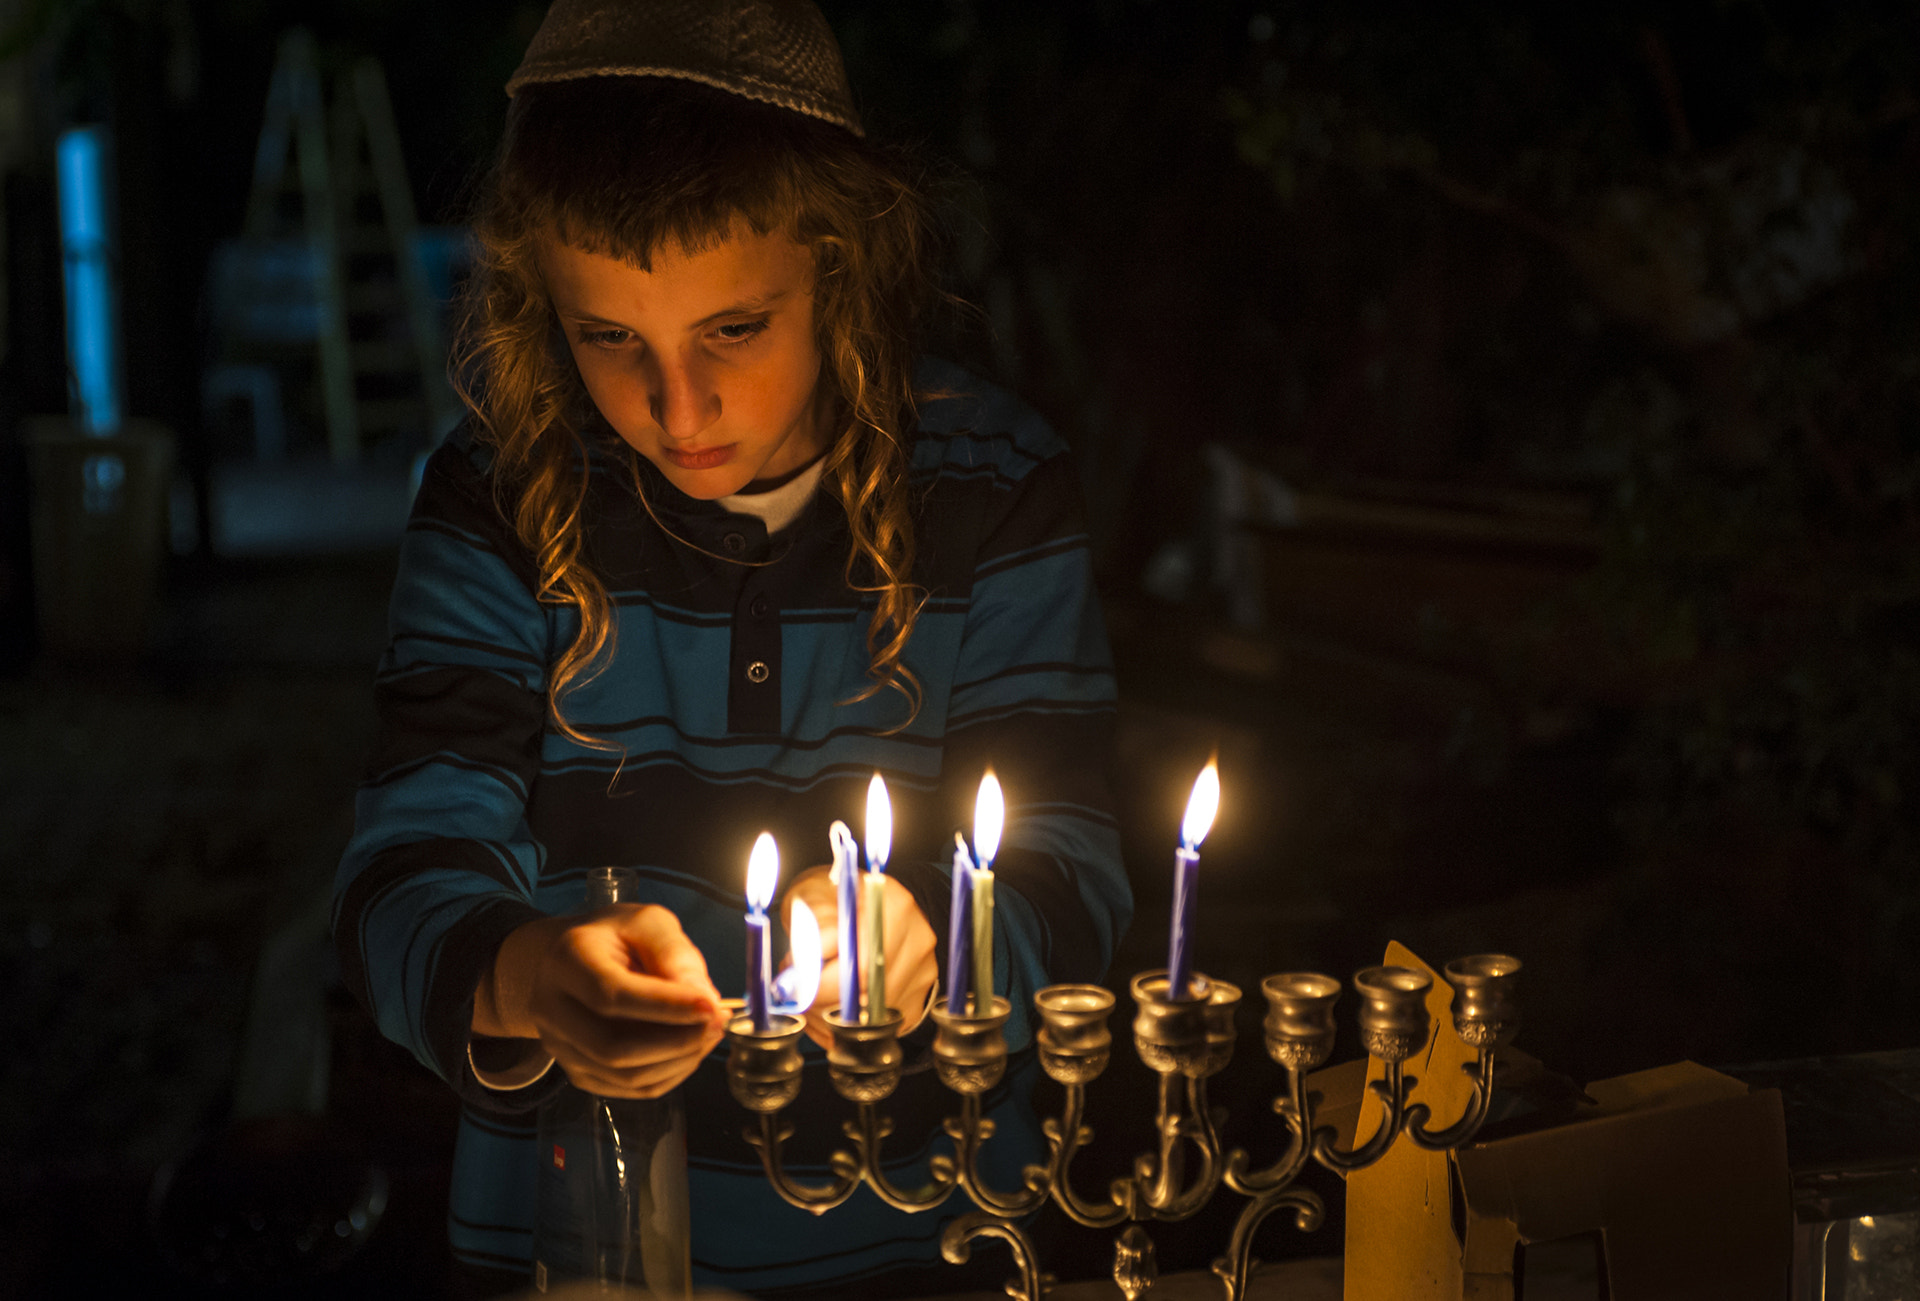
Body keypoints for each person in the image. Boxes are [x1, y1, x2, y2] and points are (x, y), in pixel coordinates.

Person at [332, 1, 1131, 1295]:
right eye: (611, 339)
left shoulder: (990, 490)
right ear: (544, 302)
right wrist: (529, 973)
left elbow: (1079, 876)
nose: (678, 407)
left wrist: (934, 933)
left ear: (844, 261)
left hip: (933, 1244)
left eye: (734, 329)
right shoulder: (501, 500)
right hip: (580, 1252)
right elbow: (395, 884)